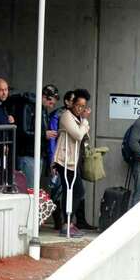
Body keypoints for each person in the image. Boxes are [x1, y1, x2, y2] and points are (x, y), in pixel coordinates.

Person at [53, 89, 92, 235]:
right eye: (78, 105)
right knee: (74, 190)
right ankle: (66, 224)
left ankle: (68, 223)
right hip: (64, 160)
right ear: (72, 104)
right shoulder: (66, 116)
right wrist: (85, 121)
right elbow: (77, 135)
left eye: (83, 106)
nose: (80, 108)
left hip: (73, 160)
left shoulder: (78, 119)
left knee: (74, 191)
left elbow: (84, 136)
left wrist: (83, 122)